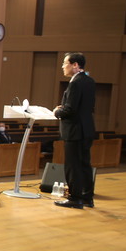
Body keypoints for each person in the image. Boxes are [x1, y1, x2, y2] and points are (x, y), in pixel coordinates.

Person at [54, 52, 96, 208]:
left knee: (73, 166)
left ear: (75, 65)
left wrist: (57, 111)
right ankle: (87, 197)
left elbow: (70, 110)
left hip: (74, 131)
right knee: (84, 164)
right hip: (87, 129)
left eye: (65, 63)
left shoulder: (75, 83)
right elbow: (88, 107)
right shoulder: (90, 81)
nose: (63, 66)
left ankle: (74, 198)